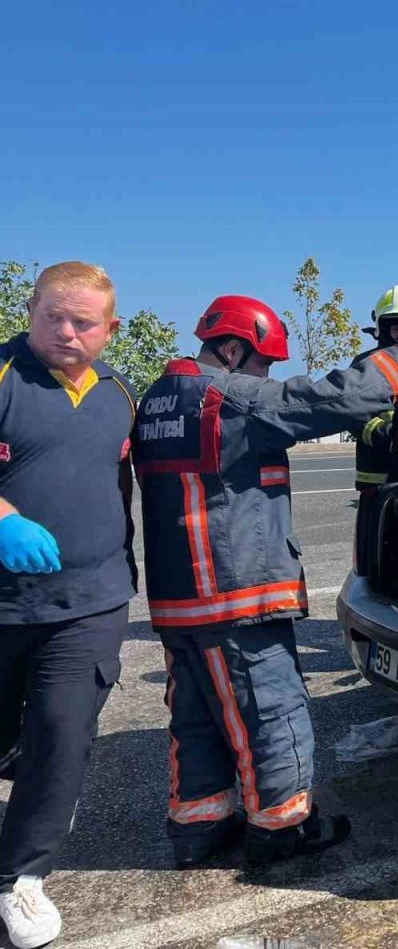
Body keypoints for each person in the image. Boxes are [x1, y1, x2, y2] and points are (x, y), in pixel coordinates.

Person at [134, 295, 398, 869]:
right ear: (232, 350)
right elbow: (333, 399)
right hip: (236, 591)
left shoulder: (157, 400)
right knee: (271, 708)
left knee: (197, 717)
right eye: (264, 364)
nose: (267, 377)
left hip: (179, 598)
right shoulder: (228, 398)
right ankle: (283, 827)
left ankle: (199, 825)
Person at [0, 262, 137, 949]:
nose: (65, 331)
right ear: (30, 310)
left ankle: (20, 879)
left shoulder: (119, 394)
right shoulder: (4, 377)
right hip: (4, 605)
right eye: (53, 315)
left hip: (90, 601)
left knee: (61, 734)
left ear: (109, 329)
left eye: (83, 322)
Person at [352, 286, 398, 492]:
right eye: (397, 329)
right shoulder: (366, 364)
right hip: (376, 472)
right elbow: (351, 414)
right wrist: (386, 433)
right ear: (383, 329)